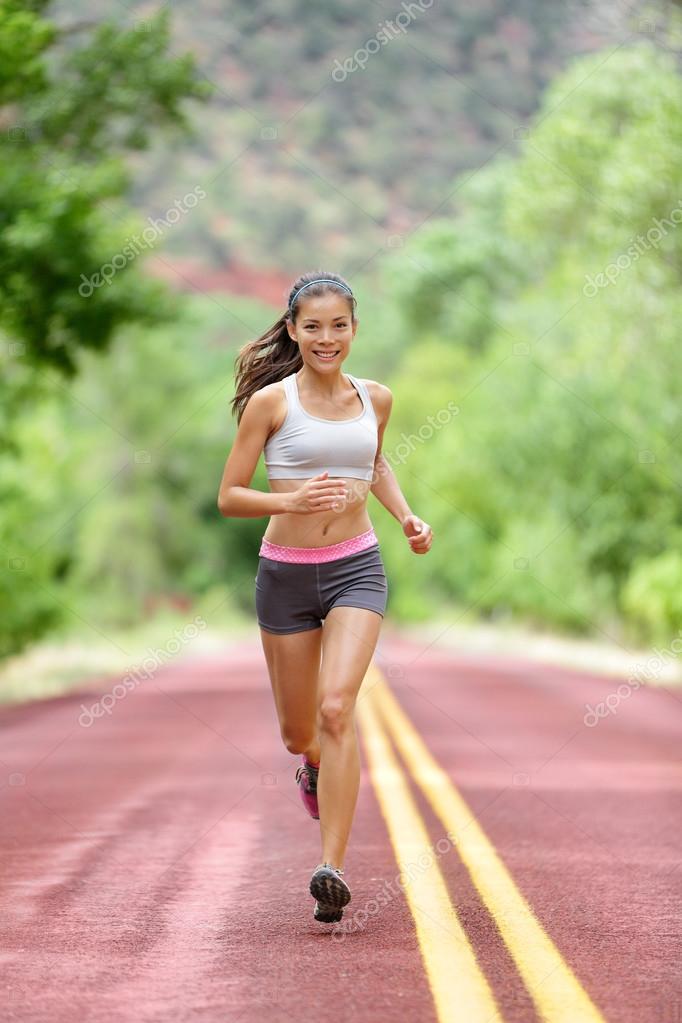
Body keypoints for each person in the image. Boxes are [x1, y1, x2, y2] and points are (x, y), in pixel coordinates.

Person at [217, 271, 433, 923]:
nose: (326, 337)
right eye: (313, 326)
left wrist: (405, 516)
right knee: (299, 731)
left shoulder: (376, 398)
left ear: (354, 329)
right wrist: (290, 498)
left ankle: (331, 869)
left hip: (355, 568)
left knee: (339, 707)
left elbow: (376, 463)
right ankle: (311, 766)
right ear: (292, 329)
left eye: (338, 324)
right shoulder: (271, 403)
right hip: (285, 573)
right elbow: (229, 495)